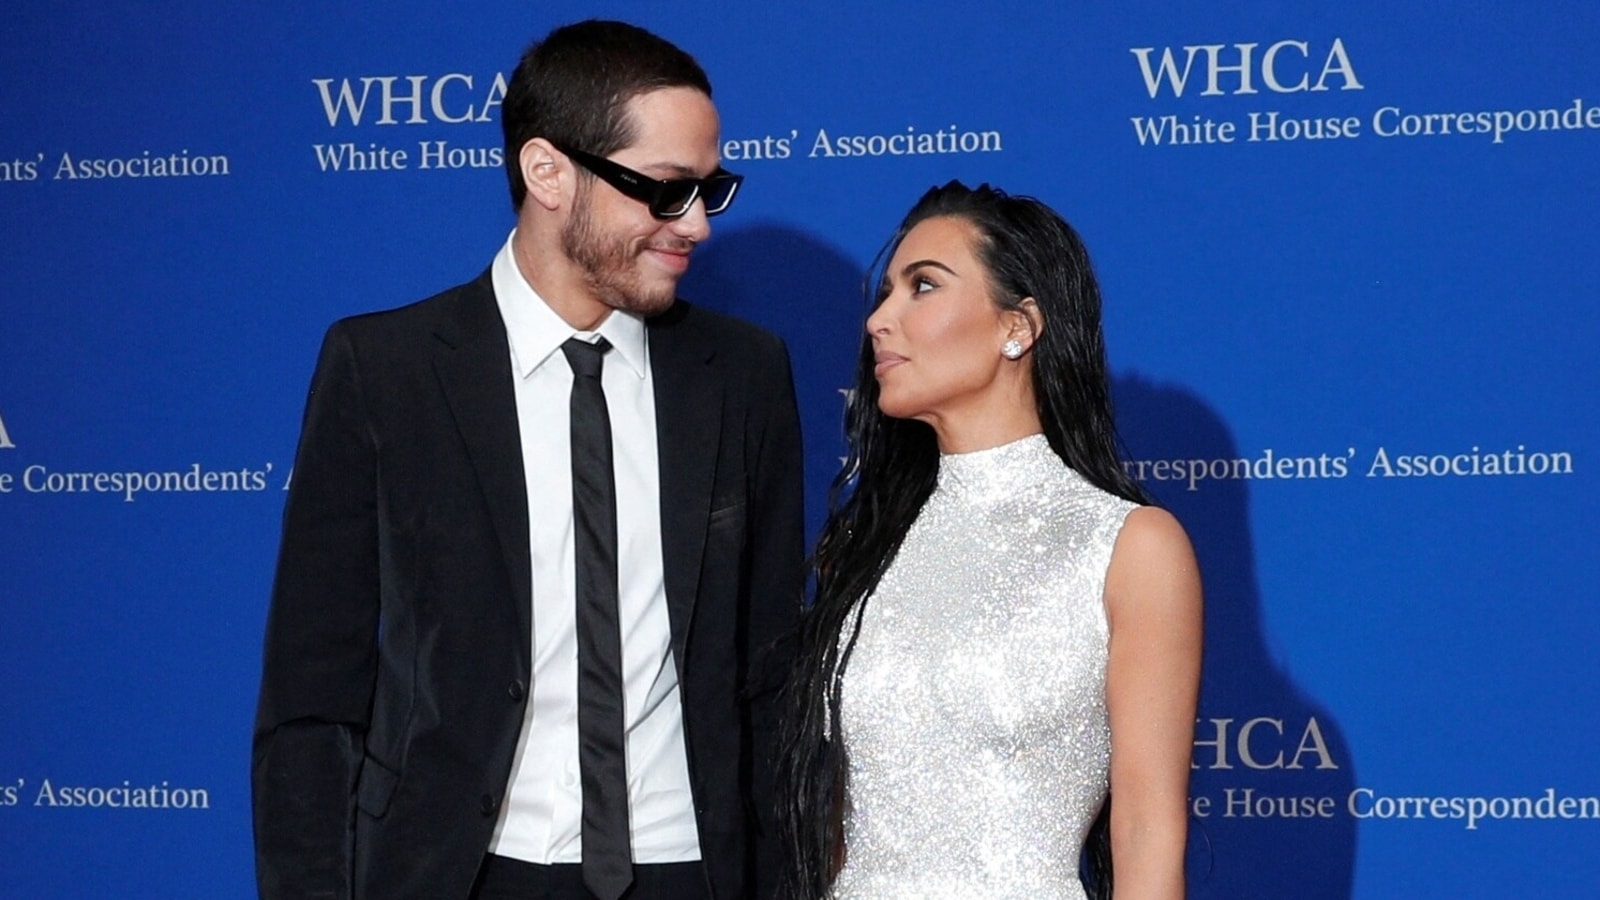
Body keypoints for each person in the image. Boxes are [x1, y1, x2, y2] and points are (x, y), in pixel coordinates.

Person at [252, 20, 804, 900]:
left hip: (686, 870)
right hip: (457, 872)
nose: (695, 225)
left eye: (709, 190)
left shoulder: (741, 374)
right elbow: (313, 694)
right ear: (548, 172)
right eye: (665, 191)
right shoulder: (385, 369)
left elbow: (769, 674)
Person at [777, 181, 1202, 899]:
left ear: (1019, 325)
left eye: (923, 287)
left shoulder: (1128, 546)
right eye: (884, 294)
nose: (880, 319)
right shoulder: (867, 545)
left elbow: (1145, 832)